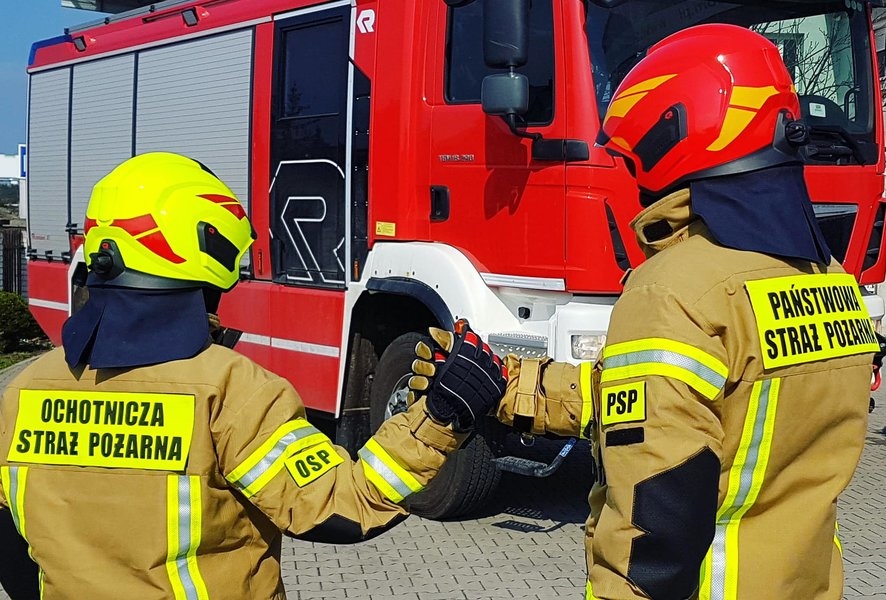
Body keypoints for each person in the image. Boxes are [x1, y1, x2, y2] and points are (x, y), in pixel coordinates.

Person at [413, 23, 878, 600]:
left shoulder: (674, 292)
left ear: (675, 130)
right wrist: (509, 387)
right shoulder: (831, 281)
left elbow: (651, 534)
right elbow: (688, 408)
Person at [0, 152, 506, 600]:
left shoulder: (24, 389)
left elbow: (13, 551)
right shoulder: (231, 391)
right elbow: (340, 508)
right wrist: (441, 415)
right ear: (205, 247)